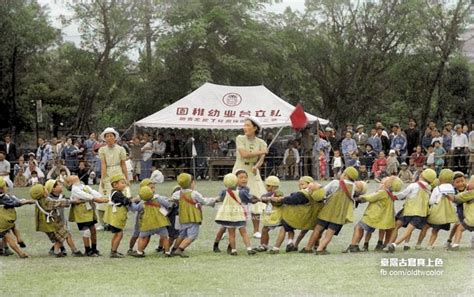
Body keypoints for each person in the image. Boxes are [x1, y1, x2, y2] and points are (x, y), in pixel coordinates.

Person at [301, 167, 360, 255]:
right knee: (329, 234)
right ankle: (320, 249)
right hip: (339, 214)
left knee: (317, 229)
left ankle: (308, 248)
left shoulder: (335, 183)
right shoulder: (353, 186)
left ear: (346, 175)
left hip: (327, 210)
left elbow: (323, 192)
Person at [344, 176, 403, 253]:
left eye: (386, 181)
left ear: (389, 184)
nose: (383, 183)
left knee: (358, 227)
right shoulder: (389, 194)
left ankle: (353, 246)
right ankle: (385, 245)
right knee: (387, 231)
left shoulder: (383, 192)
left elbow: (370, 197)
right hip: (380, 218)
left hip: (372, 217)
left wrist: (358, 197)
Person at [385, 169, 437, 253]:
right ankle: (397, 244)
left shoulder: (413, 185)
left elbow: (403, 194)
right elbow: (431, 201)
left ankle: (390, 244)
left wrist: (393, 197)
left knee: (396, 226)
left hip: (408, 210)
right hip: (420, 213)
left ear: (421, 175)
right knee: (408, 230)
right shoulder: (429, 188)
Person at [269, 176, 325, 254]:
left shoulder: (303, 194)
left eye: (302, 184)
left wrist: (280, 199)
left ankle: (276, 248)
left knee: (284, 227)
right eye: (299, 184)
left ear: (309, 184)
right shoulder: (316, 193)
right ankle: (311, 245)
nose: (300, 186)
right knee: (316, 231)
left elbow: (292, 200)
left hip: (298, 217)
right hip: (311, 219)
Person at [232, 117, 268, 239]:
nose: (245, 127)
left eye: (248, 125)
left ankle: (256, 230)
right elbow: (244, 155)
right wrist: (261, 152)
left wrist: (256, 166)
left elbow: (261, 160)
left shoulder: (262, 143)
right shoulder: (240, 138)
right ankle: (228, 227)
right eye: (244, 125)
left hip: (253, 173)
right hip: (240, 169)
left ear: (255, 128)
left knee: (256, 200)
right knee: (234, 198)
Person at [32, 181, 83, 257]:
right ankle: (73, 251)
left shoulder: (39, 201)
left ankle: (57, 251)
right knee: (65, 235)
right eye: (43, 189)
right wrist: (73, 201)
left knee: (60, 238)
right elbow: (59, 203)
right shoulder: (46, 201)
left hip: (48, 225)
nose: (45, 189)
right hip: (53, 224)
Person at [171, 173, 216, 257]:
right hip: (193, 217)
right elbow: (204, 201)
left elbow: (173, 199)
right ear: (191, 183)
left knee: (182, 234)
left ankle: (174, 249)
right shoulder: (194, 194)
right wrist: (214, 200)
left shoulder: (177, 194)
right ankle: (180, 249)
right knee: (192, 235)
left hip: (182, 217)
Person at [215, 173, 257, 256]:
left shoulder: (224, 192)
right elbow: (250, 199)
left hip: (228, 216)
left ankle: (233, 250)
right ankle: (249, 248)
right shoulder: (241, 192)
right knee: (244, 233)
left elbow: (219, 199)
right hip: (239, 215)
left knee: (231, 234)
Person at [415, 169, 457, 249]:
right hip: (445, 214)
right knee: (435, 230)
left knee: (425, 227)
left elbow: (431, 201)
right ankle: (430, 245)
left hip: (435, 212)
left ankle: (418, 243)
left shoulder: (437, 188)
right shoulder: (452, 188)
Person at [66, 175, 109, 256]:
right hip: (81, 212)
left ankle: (94, 249)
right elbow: (86, 196)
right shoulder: (75, 189)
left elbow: (93, 191)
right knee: (86, 232)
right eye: (71, 176)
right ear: (70, 183)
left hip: (89, 211)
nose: (74, 175)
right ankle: (87, 250)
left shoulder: (84, 186)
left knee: (93, 230)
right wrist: (97, 199)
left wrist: (101, 197)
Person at [97, 127, 129, 231]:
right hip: (107, 174)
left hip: (118, 173)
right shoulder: (102, 150)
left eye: (111, 136)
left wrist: (126, 177)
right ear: (104, 138)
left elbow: (123, 164)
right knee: (103, 197)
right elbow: (103, 165)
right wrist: (102, 179)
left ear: (115, 137)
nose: (109, 138)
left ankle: (117, 221)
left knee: (120, 198)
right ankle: (102, 223)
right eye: (107, 136)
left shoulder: (121, 149)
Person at [130, 186, 173, 258]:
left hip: (147, 224)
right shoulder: (158, 199)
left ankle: (139, 252)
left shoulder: (142, 203)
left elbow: (135, 208)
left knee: (142, 236)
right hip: (160, 222)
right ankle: (167, 252)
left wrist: (131, 202)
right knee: (165, 237)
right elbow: (167, 204)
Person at [103, 175, 138, 258]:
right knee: (119, 234)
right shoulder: (117, 194)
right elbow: (125, 201)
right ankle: (113, 252)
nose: (124, 185)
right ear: (115, 185)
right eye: (122, 183)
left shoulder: (116, 192)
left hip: (115, 217)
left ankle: (113, 250)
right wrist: (135, 199)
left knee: (116, 234)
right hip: (116, 217)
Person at [0, 177, 35, 258]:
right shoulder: (3, 197)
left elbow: (15, 199)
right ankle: (20, 253)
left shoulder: (5, 196)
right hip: (2, 222)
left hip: (5, 221)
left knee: (13, 227)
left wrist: (24, 200)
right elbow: (16, 202)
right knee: (8, 237)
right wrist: (27, 201)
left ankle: (18, 239)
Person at [255, 176, 284, 253]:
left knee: (264, 230)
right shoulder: (271, 194)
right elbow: (263, 198)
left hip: (275, 216)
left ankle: (263, 245)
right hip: (273, 215)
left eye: (268, 186)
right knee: (265, 230)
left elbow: (263, 198)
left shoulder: (277, 194)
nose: (267, 187)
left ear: (274, 186)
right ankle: (264, 245)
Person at [449, 175, 474, 250]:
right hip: (465, 215)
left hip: (471, 219)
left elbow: (457, 198)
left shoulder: (470, 193)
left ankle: (456, 244)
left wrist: (446, 194)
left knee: (459, 228)